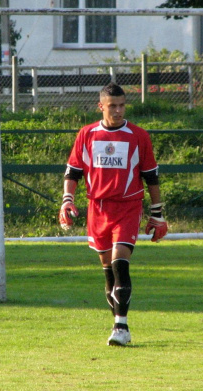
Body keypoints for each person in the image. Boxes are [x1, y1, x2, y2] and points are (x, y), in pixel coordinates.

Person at [59, 82, 168, 346]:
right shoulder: (86, 134)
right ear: (101, 106)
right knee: (108, 273)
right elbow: (73, 172)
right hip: (98, 209)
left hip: (128, 207)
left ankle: (121, 327)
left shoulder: (138, 136)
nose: (118, 111)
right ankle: (117, 322)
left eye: (121, 105)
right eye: (112, 106)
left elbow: (151, 177)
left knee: (121, 263)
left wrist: (157, 214)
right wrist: (67, 200)